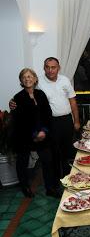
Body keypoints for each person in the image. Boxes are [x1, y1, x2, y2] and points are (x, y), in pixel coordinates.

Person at [10, 57, 80, 184]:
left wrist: (76, 121)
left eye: (53, 67)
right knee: (53, 154)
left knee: (67, 152)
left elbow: (73, 102)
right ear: (44, 68)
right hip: (50, 122)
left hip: (66, 121)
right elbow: (26, 93)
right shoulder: (39, 82)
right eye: (47, 67)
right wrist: (12, 102)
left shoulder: (65, 80)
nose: (50, 70)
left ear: (58, 68)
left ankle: (68, 178)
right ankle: (57, 181)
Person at [11, 68, 58, 198]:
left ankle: (50, 188)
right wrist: (34, 135)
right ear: (21, 81)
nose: (27, 79)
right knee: (22, 162)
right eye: (24, 77)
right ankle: (25, 187)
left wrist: (44, 131)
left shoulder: (41, 94)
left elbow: (48, 114)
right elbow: (20, 121)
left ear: (35, 79)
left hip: (43, 134)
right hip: (25, 136)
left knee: (47, 161)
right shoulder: (18, 98)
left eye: (30, 76)